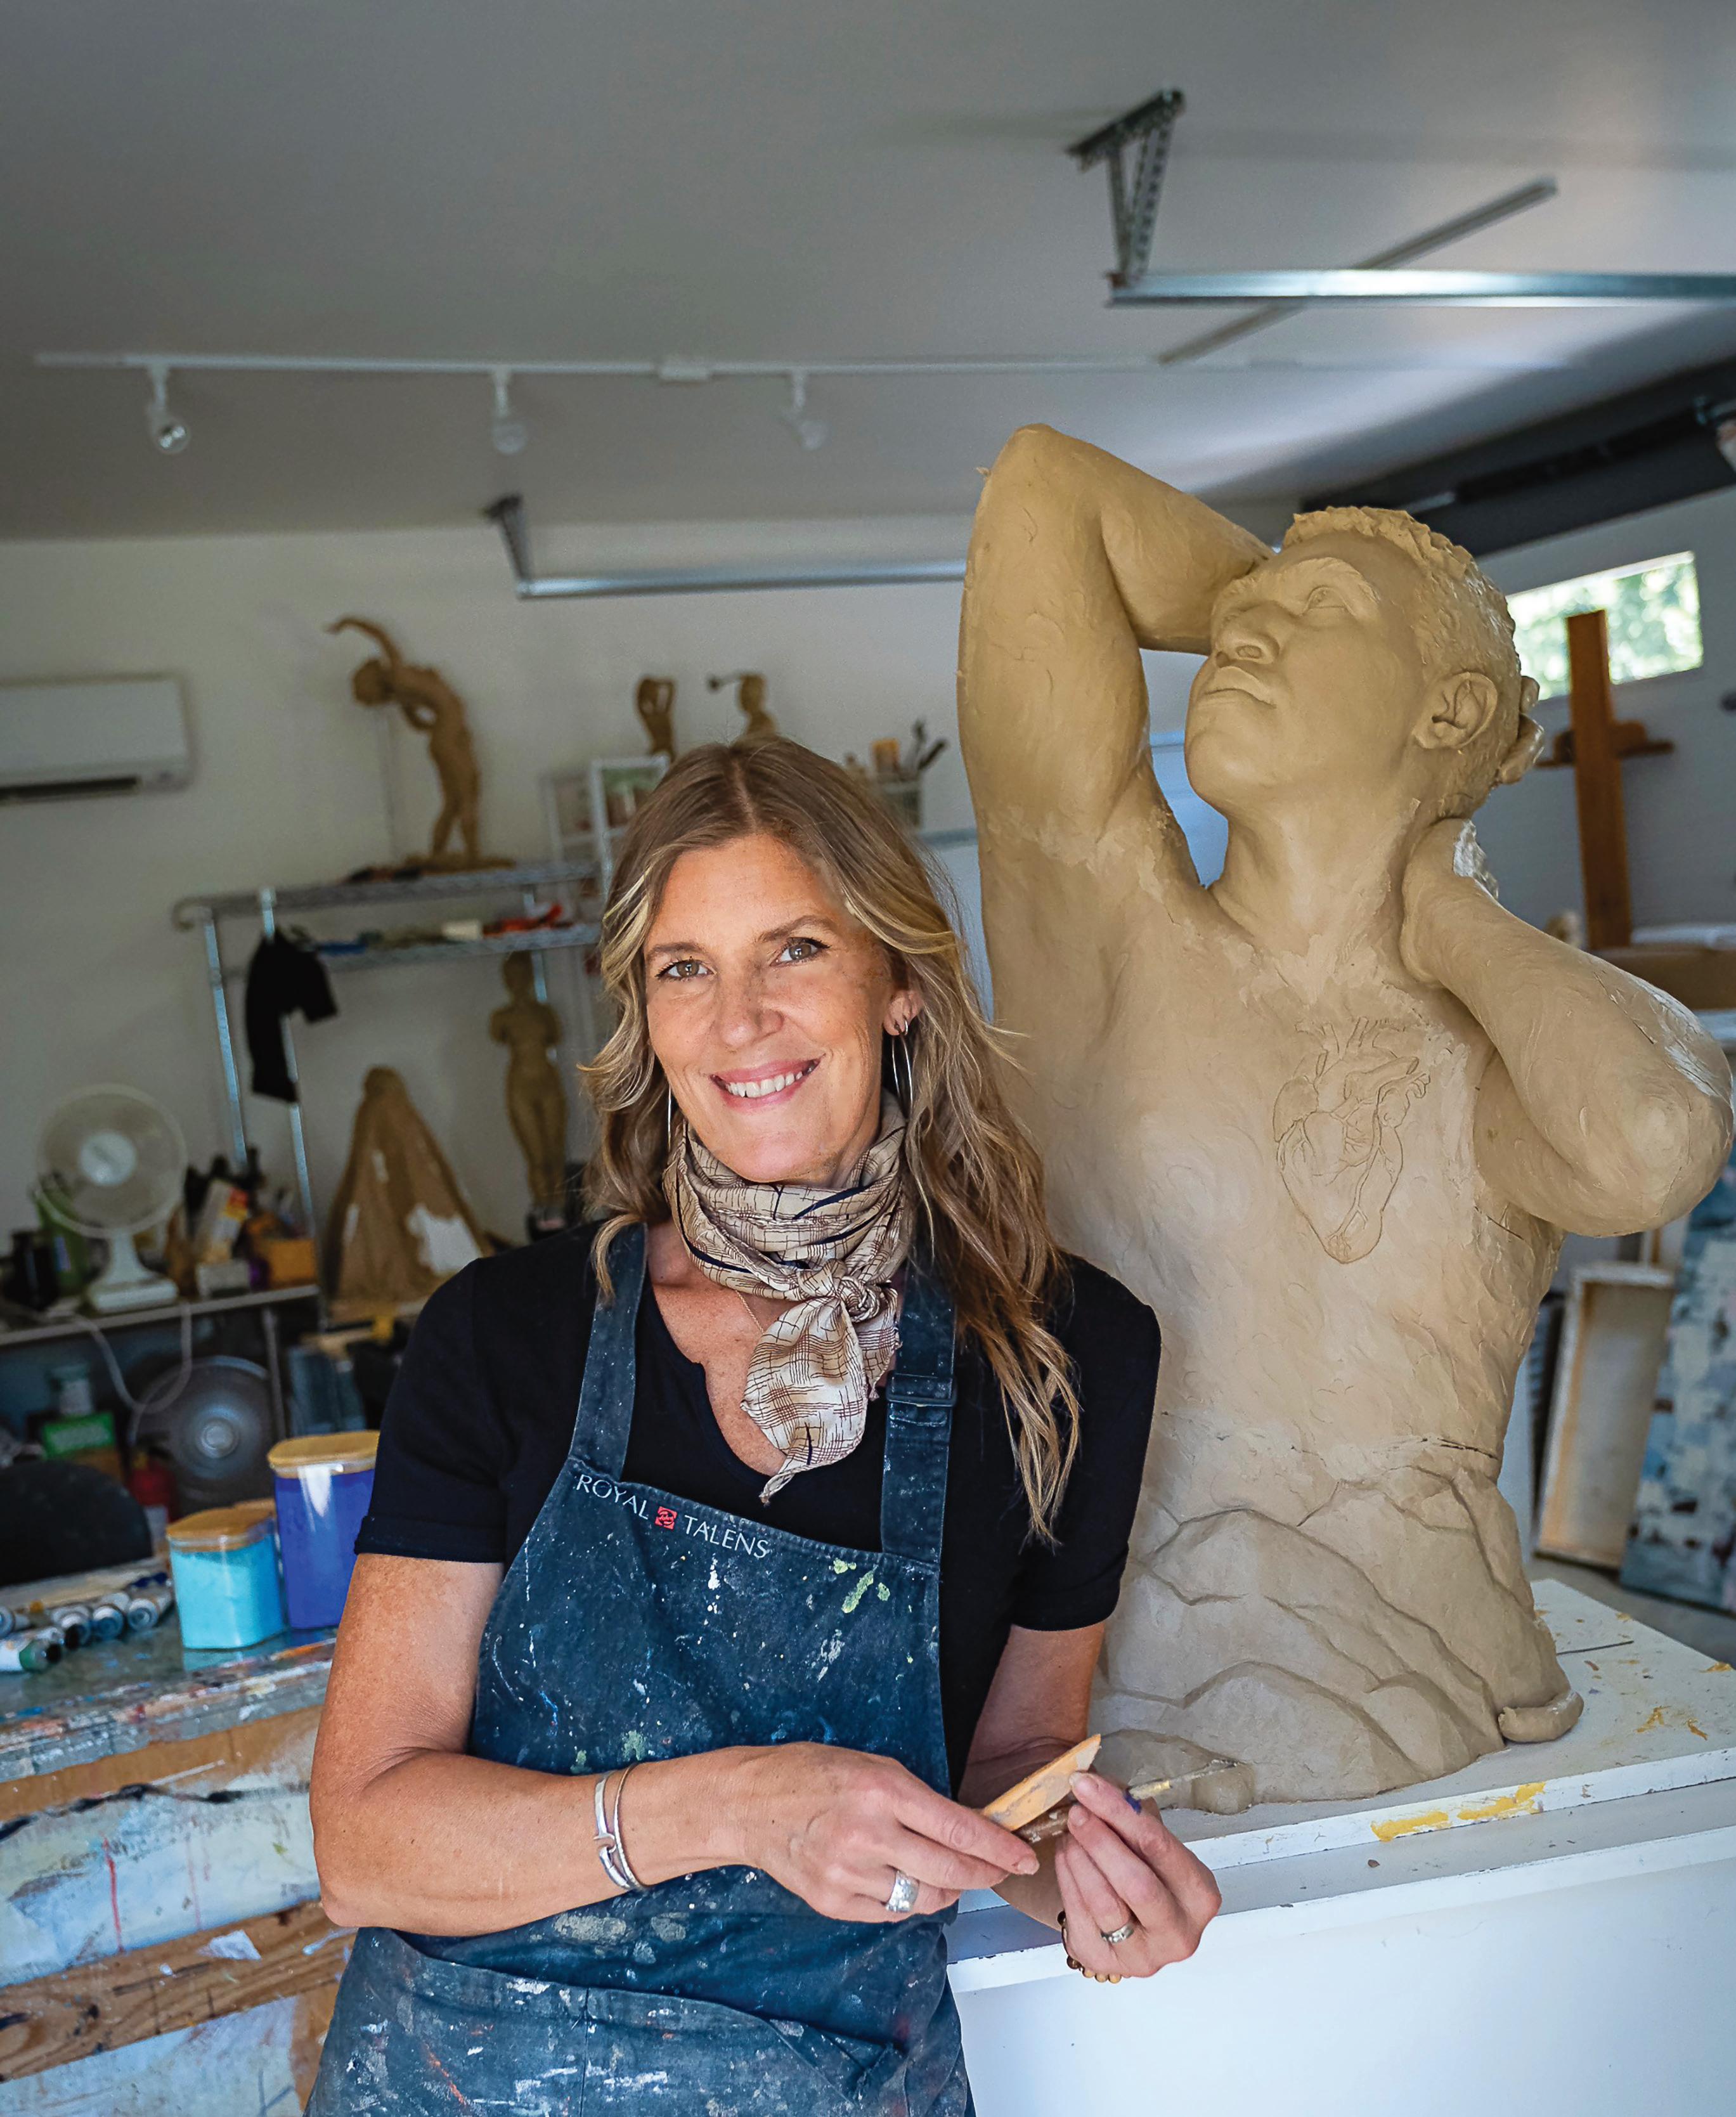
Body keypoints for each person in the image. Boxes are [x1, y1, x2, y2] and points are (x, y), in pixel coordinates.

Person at [308, 737, 1221, 2115]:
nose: (739, 1019)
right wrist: (739, 1807)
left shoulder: (1069, 1353)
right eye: (685, 967)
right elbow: (364, 1846)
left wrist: (1086, 1878)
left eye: (794, 948)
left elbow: (1011, 1773)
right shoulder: (504, 1336)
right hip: (471, 2079)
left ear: (899, 982)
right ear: (646, 1015)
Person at [958, 426, 1733, 1805]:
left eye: (1313, 613)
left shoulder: (1491, 1040)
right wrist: (1293, 594)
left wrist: (1447, 905)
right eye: (1233, 616)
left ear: (1445, 712)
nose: (1239, 635)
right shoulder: (1112, 945)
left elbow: (1653, 1143)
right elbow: (1043, 493)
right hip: (1129, 1683)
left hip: (1441, 1674)